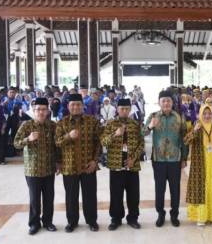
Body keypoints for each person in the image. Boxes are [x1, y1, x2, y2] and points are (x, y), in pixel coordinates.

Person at [56, 93, 103, 233]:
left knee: (90, 195)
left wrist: (95, 161)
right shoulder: (62, 123)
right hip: (69, 166)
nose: (75, 107)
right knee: (71, 197)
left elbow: (98, 143)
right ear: (68, 106)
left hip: (88, 166)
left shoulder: (92, 121)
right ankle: (72, 222)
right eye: (72, 105)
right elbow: (57, 143)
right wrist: (68, 136)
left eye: (78, 105)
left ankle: (92, 221)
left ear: (83, 106)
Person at [14, 98, 59, 235]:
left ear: (48, 111)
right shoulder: (26, 125)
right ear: (34, 111)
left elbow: (57, 146)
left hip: (48, 168)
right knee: (34, 199)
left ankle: (48, 222)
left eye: (43, 109)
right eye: (38, 109)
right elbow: (16, 143)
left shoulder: (52, 126)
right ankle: (34, 224)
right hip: (32, 169)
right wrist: (28, 139)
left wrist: (58, 162)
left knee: (49, 197)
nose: (41, 112)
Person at [144, 90, 188, 227]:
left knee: (175, 189)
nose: (166, 103)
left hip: (175, 159)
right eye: (163, 101)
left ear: (172, 102)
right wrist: (150, 126)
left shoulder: (179, 117)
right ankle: (160, 213)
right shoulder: (153, 116)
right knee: (160, 188)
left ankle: (174, 214)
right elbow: (142, 133)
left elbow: (185, 139)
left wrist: (184, 157)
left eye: (168, 100)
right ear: (159, 102)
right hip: (159, 160)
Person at [101, 98, 144, 231]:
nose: (124, 111)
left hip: (132, 166)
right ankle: (116, 219)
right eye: (122, 109)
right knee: (116, 194)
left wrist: (134, 159)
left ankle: (133, 218)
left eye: (127, 109)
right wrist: (115, 134)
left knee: (133, 194)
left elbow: (141, 144)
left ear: (130, 110)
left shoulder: (135, 124)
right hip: (115, 165)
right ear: (117, 110)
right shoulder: (111, 124)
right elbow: (103, 142)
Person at [184, 104, 212, 227]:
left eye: (209, 113)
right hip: (200, 165)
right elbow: (186, 141)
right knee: (202, 189)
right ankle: (201, 217)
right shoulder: (197, 127)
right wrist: (194, 131)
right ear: (200, 114)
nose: (207, 116)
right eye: (204, 113)